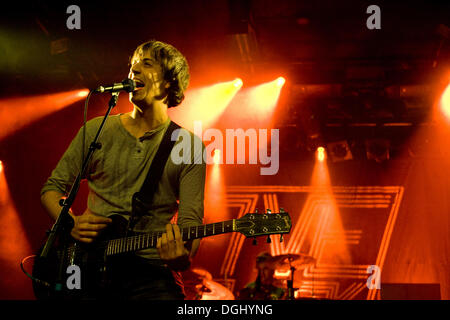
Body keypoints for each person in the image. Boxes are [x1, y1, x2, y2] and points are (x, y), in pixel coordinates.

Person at [40, 40, 206, 300]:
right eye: (132, 66)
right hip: (89, 266)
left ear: (169, 82)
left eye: (146, 64)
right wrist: (70, 222)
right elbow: (52, 189)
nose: (133, 71)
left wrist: (182, 258)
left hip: (151, 271)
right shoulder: (97, 130)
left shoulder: (188, 145)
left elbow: (191, 223)